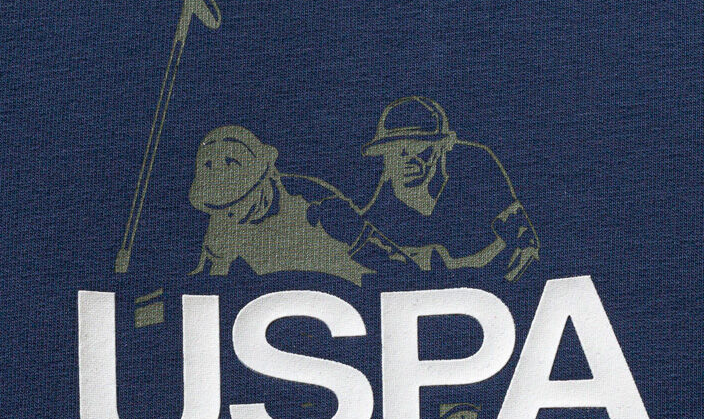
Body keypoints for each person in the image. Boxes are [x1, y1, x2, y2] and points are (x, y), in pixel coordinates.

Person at [189, 123, 409, 282]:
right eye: (221, 207)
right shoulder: (221, 223)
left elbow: (396, 268)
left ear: (265, 177)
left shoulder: (317, 202)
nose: (230, 213)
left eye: (239, 200)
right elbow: (208, 286)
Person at [361, 96, 540, 281]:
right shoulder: (379, 210)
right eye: (392, 148)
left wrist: (446, 264)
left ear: (443, 145)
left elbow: (524, 246)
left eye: (416, 145)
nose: (404, 156)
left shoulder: (476, 165)